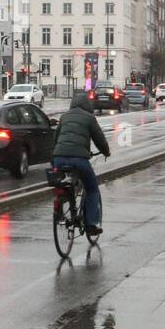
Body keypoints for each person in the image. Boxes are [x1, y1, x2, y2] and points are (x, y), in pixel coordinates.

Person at [51, 92, 111, 237]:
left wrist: (55, 154)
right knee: (92, 189)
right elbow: (99, 138)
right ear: (87, 105)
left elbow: (56, 138)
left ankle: (60, 206)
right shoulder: (90, 118)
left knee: (62, 184)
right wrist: (106, 152)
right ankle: (91, 224)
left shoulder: (64, 117)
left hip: (59, 158)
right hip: (79, 159)